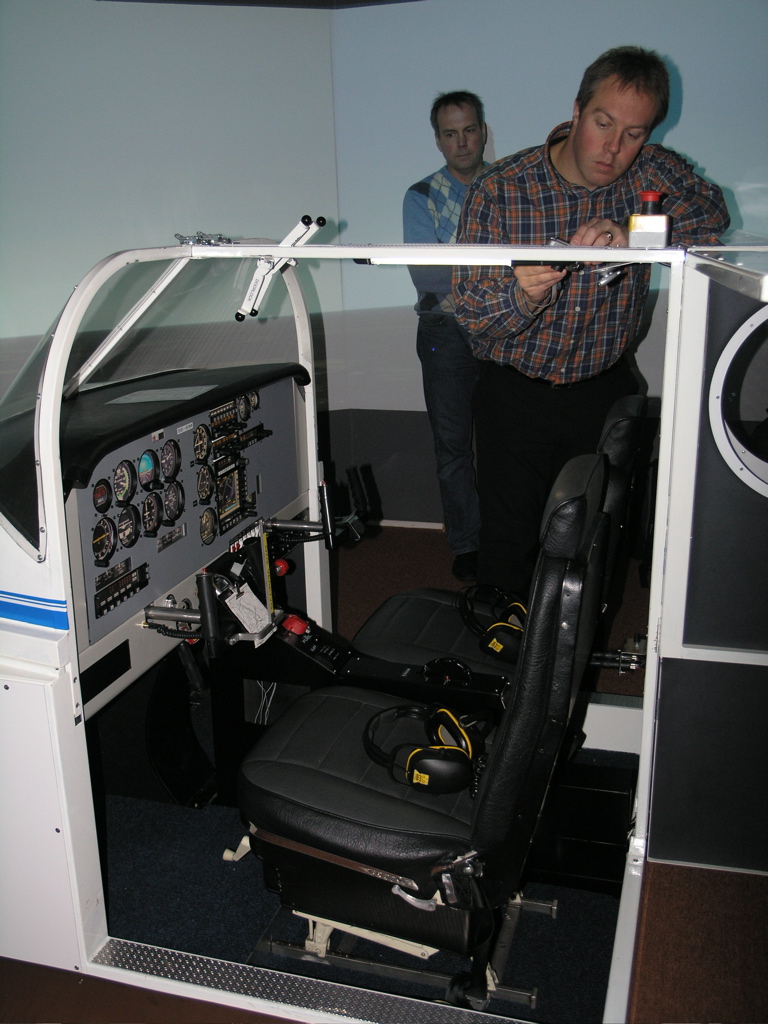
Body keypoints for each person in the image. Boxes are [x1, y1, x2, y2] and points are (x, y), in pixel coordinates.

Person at [454, 46, 729, 598]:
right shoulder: (502, 189)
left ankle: (570, 647)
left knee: (592, 547)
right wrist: (523, 297)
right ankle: (502, 646)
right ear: (577, 111)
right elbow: (473, 318)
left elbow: (712, 213)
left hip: (604, 392)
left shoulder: (653, 171)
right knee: (507, 547)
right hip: (515, 397)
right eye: (603, 123)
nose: (614, 147)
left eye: (634, 133)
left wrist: (637, 231)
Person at [403, 91, 488, 582]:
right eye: (451, 133)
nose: (462, 142)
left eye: (469, 130)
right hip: (445, 331)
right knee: (454, 448)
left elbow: (525, 260)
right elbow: (428, 276)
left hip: (505, 330)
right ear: (438, 140)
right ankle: (468, 543)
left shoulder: (509, 187)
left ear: (483, 131)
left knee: (506, 442)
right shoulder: (421, 195)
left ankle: (506, 536)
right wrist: (496, 274)